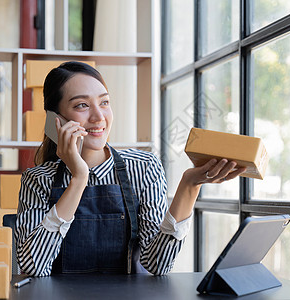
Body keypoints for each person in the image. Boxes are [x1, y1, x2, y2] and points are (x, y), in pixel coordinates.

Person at [14, 61, 246, 277]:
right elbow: (33, 265)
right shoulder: (37, 180)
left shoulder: (144, 167)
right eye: (82, 105)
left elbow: (157, 264)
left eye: (104, 102)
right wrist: (79, 177)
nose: (98, 117)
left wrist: (190, 185)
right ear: (56, 120)